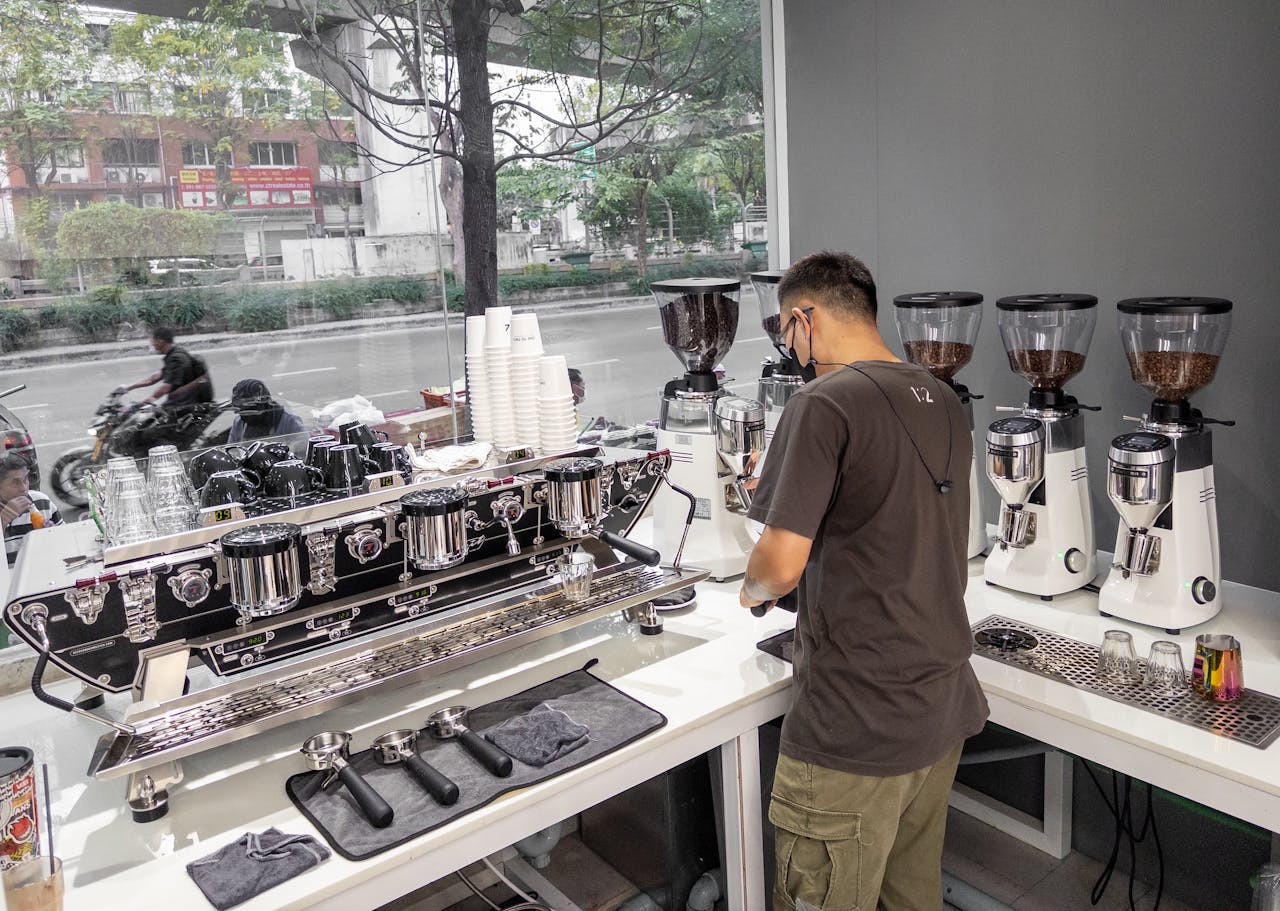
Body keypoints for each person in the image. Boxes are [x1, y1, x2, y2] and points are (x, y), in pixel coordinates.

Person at [739, 252, 988, 911]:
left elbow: (777, 566)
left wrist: (754, 586)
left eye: (783, 332)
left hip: (853, 730)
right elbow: (887, 531)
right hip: (937, 712)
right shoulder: (943, 397)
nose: (787, 347)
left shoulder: (821, 403)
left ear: (803, 318)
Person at [0, 454, 63, 566]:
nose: (23, 488)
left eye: (25, 479)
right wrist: (3, 520)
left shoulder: (41, 501)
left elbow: (66, 541)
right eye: (15, 482)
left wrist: (54, 534)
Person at [226, 379, 307, 443]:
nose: (243, 416)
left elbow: (304, 450)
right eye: (240, 411)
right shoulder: (239, 422)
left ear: (262, 405)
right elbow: (231, 451)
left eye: (248, 411)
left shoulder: (289, 421)